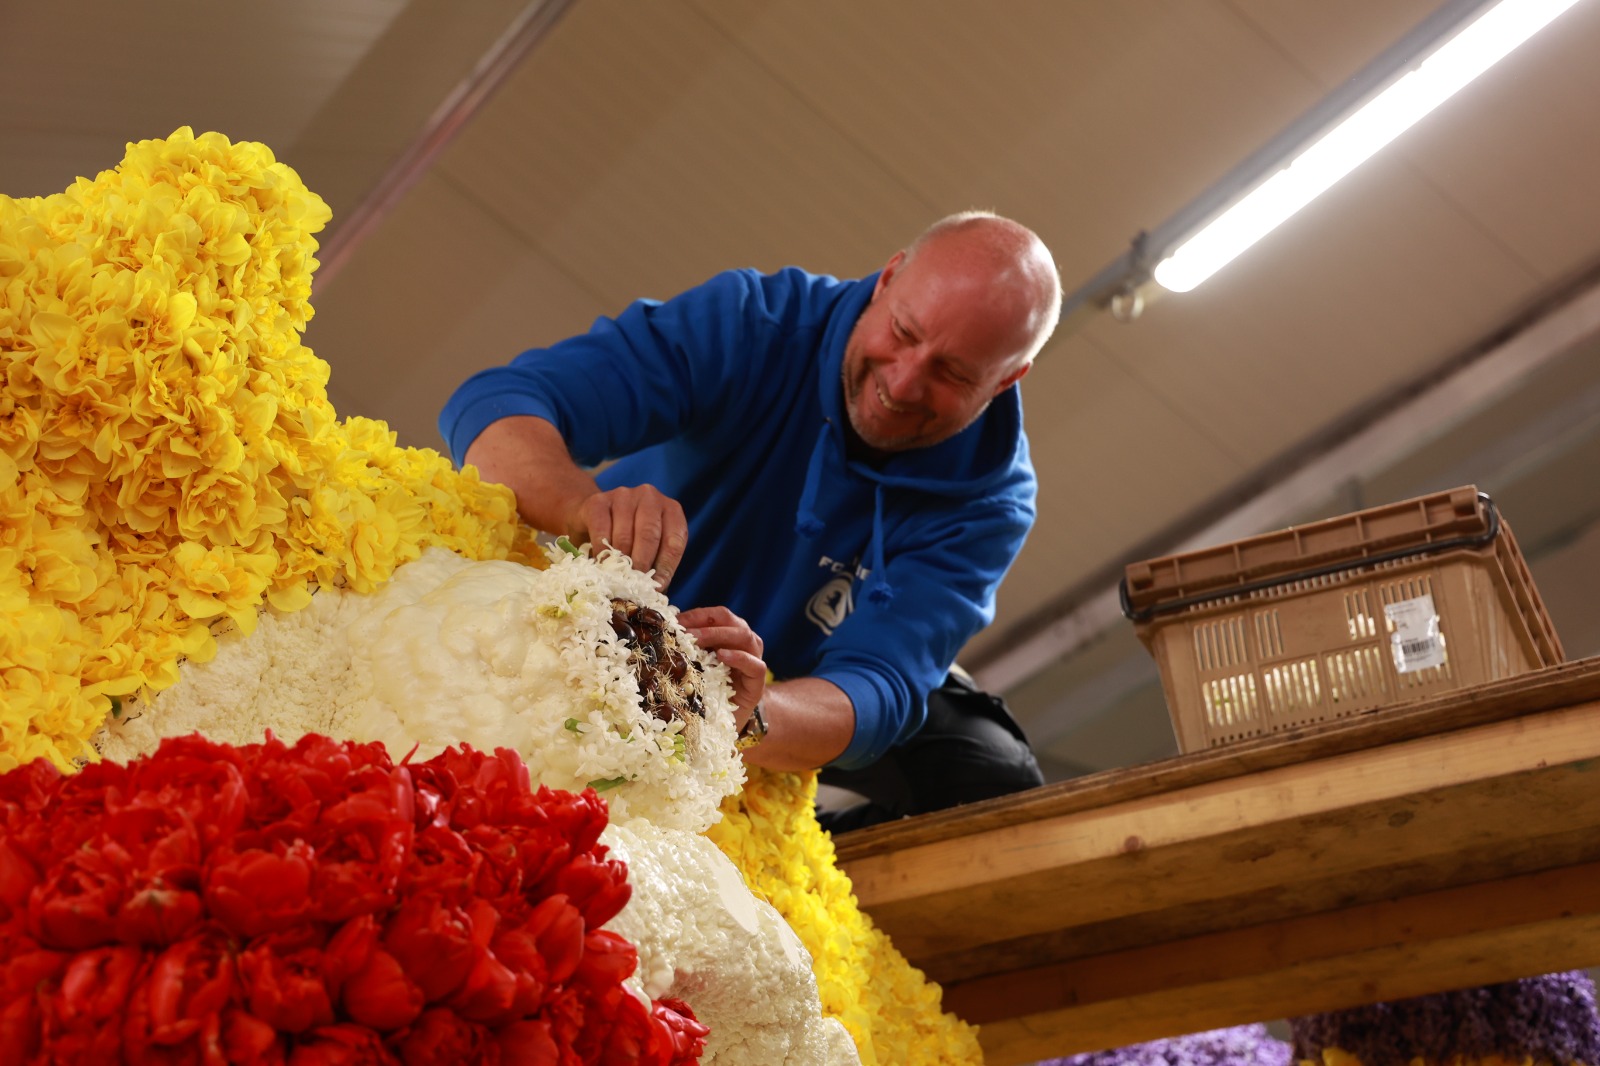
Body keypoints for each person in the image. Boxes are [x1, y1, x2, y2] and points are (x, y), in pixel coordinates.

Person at [440, 210, 1058, 829]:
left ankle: (812, 873)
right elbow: (495, 406)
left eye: (952, 374)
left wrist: (740, 713)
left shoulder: (991, 502)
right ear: (888, 278)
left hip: (782, 693)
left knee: (994, 780)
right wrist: (581, 505)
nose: (902, 382)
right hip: (611, 625)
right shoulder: (754, 321)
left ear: (1008, 378)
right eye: (902, 331)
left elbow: (879, 688)